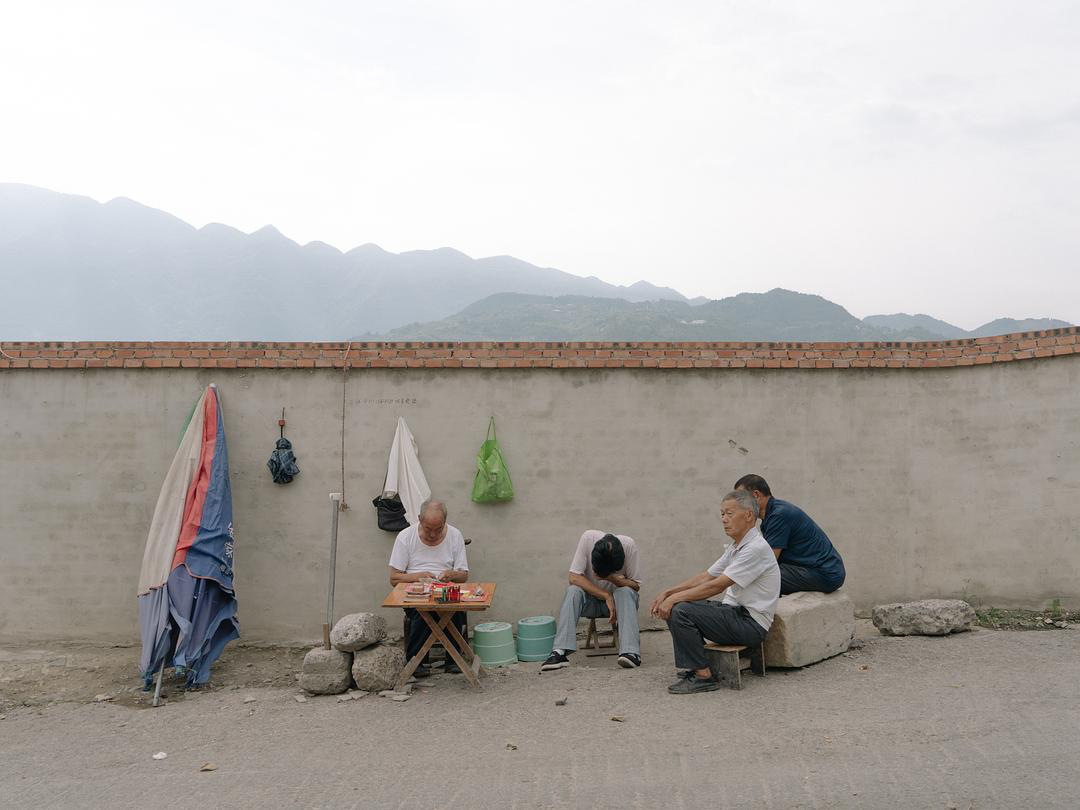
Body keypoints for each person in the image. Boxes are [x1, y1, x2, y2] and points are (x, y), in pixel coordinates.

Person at [650, 490, 780, 694]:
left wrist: (673, 599)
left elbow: (717, 586)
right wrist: (668, 592)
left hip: (750, 624)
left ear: (748, 515)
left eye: (729, 514)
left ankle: (704, 676)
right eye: (722, 514)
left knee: (680, 610)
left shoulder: (755, 548)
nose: (724, 519)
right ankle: (697, 665)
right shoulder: (737, 546)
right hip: (736, 614)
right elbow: (707, 576)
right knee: (678, 605)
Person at [388, 499, 469, 677]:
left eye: (438, 529)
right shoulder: (405, 537)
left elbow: (463, 576)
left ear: (445, 522)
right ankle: (416, 661)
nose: (432, 534)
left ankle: (453, 659)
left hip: (444, 592)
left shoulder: (455, 535)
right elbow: (394, 578)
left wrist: (451, 575)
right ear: (419, 519)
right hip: (416, 594)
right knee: (423, 610)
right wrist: (418, 577)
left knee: (452, 606)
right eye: (428, 529)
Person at [540, 531, 643, 671]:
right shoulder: (588, 538)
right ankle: (559, 652)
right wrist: (606, 595)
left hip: (617, 606)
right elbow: (573, 577)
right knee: (573, 590)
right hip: (591, 603)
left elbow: (635, 586)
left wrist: (611, 578)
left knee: (626, 592)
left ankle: (631, 653)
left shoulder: (629, 545)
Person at [734, 474, 845, 595]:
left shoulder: (779, 515)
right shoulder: (771, 515)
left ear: (756, 495)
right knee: (753, 574)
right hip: (815, 569)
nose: (737, 504)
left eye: (740, 499)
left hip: (825, 573)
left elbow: (768, 560)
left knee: (759, 577)